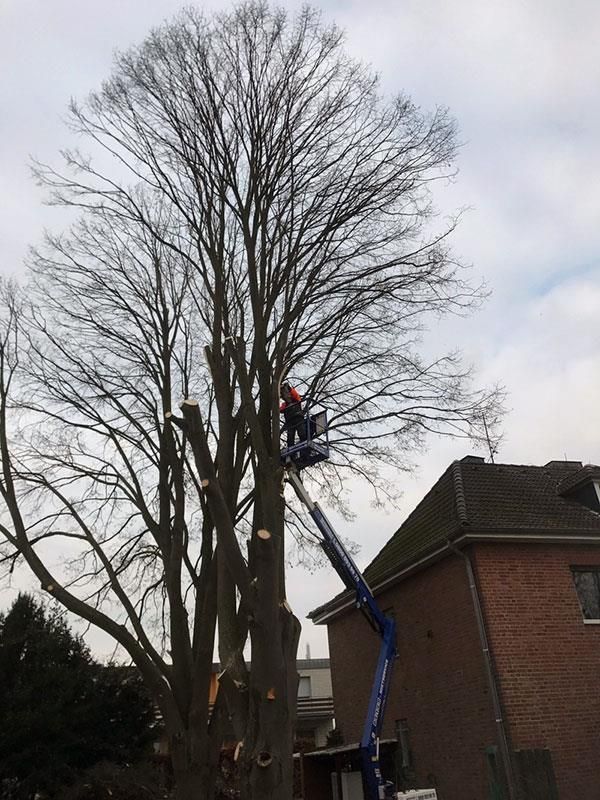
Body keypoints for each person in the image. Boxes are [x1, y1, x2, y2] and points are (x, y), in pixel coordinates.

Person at [280, 382, 306, 448]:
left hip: (298, 418)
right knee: (290, 438)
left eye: (287, 393)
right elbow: (279, 410)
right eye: (284, 394)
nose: (286, 395)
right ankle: (291, 454)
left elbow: (294, 393)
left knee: (302, 433)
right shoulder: (284, 405)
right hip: (289, 421)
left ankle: (305, 447)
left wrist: (287, 387)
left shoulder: (296, 399)